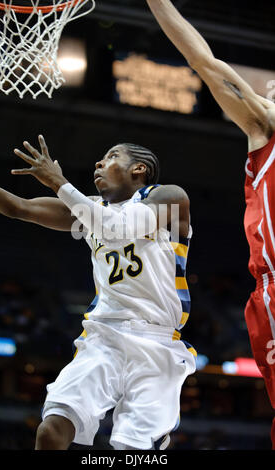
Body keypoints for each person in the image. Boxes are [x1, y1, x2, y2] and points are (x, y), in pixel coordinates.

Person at [0, 137, 197, 450]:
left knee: (130, 450)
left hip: (157, 344)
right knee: (50, 432)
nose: (98, 163)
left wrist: (58, 181)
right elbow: (18, 207)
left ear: (139, 168)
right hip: (102, 337)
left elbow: (116, 229)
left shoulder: (169, 198)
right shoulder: (90, 209)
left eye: (112, 156)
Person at [145, 0, 275, 449]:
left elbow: (204, 61)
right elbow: (203, 61)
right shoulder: (265, 128)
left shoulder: (267, 122)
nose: (268, 88)